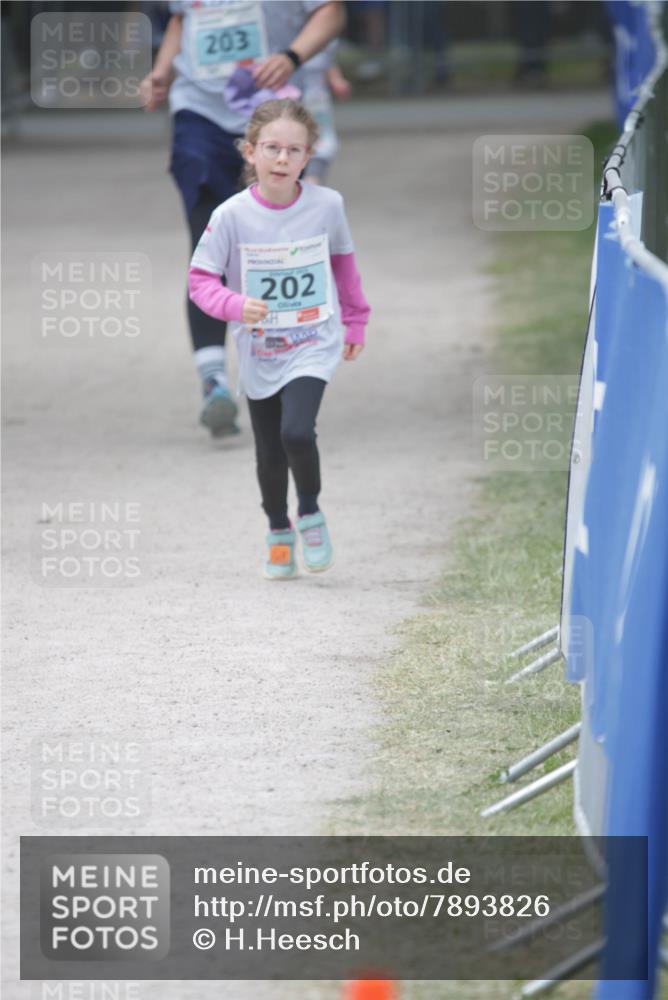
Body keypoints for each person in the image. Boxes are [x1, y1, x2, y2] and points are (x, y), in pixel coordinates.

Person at [139, 1, 346, 437]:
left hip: (273, 114)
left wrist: (291, 57)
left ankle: (287, 373)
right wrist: (163, 70)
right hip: (199, 110)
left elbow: (332, 11)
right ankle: (213, 380)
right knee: (207, 245)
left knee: (274, 251)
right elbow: (182, 19)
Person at [188, 98, 370, 579]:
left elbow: (344, 266)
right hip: (261, 347)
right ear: (249, 152)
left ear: (309, 157)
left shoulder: (327, 205)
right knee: (269, 450)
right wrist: (234, 306)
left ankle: (309, 510)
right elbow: (200, 282)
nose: (282, 159)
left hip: (314, 340)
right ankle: (277, 526)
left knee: (296, 431)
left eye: (294, 150)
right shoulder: (230, 216)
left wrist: (356, 320)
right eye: (272, 148)